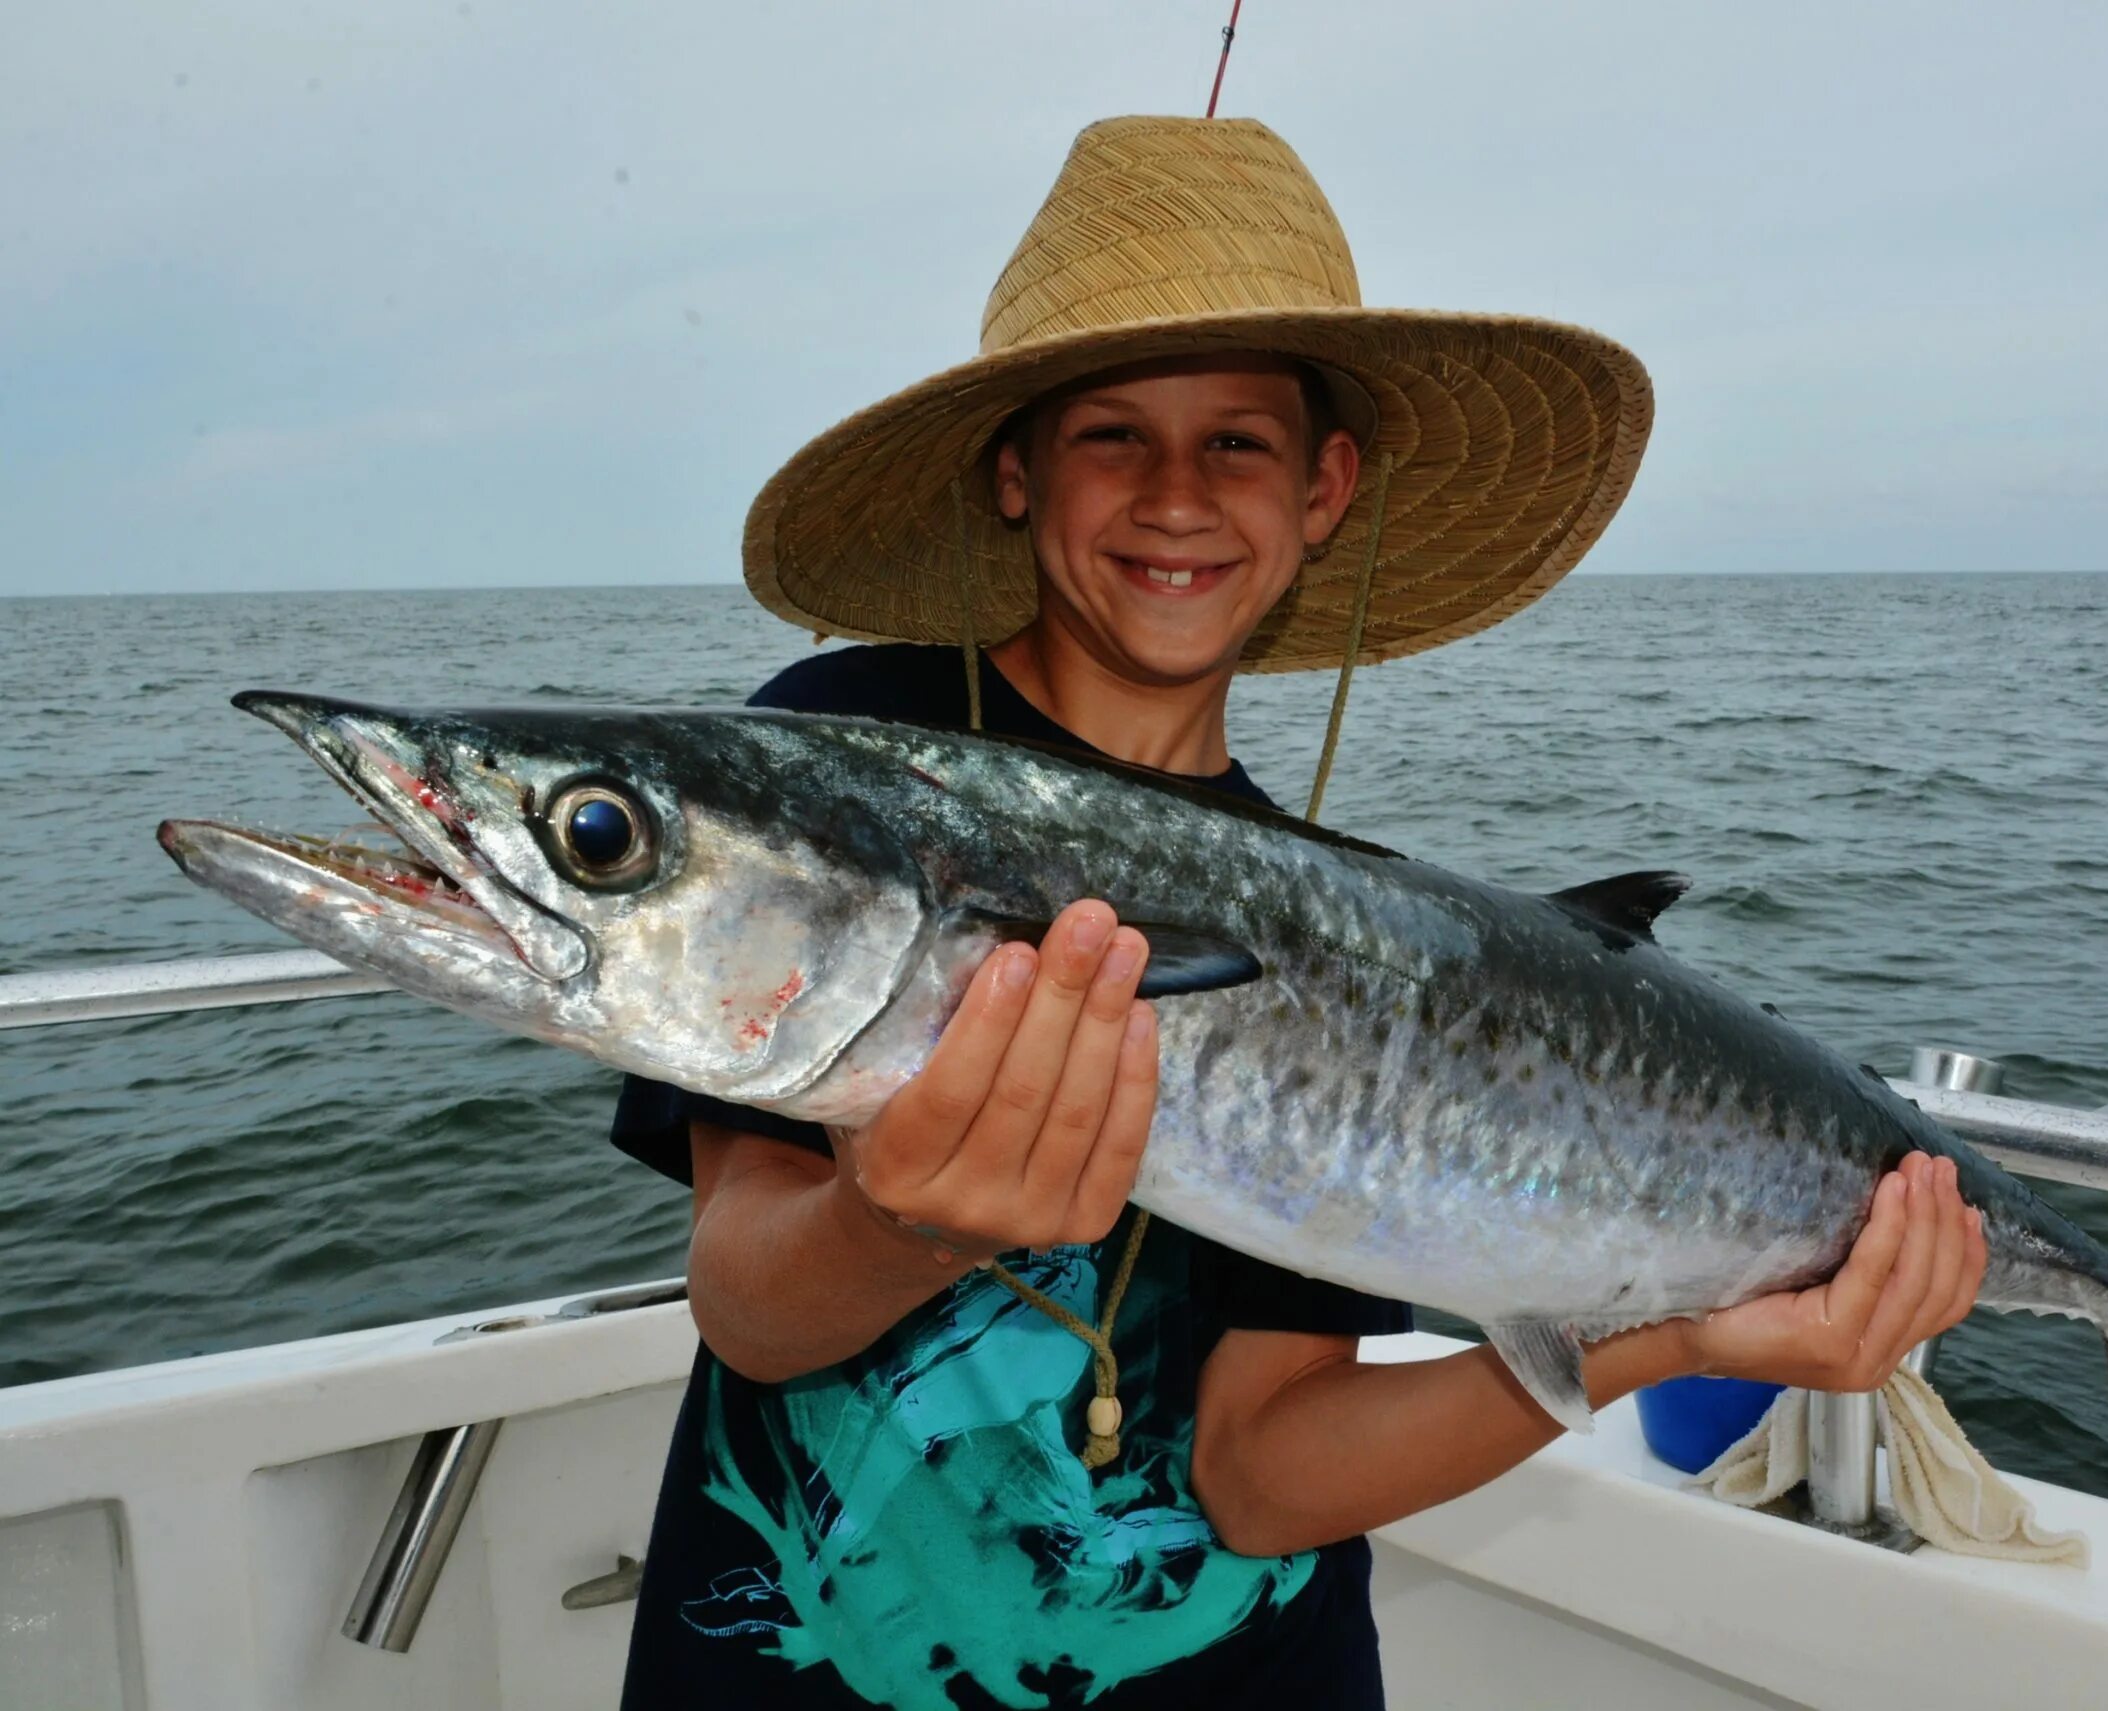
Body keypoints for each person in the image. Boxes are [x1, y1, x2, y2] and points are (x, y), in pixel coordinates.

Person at [609, 115, 1986, 1710]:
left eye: (1239, 443)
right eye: (1113, 434)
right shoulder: (851, 761)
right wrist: (893, 1224)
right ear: (1018, 471)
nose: (1176, 496)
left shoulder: (1373, 951)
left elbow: (1263, 1479)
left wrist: (1677, 1341)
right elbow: (756, 1306)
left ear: (1324, 487)